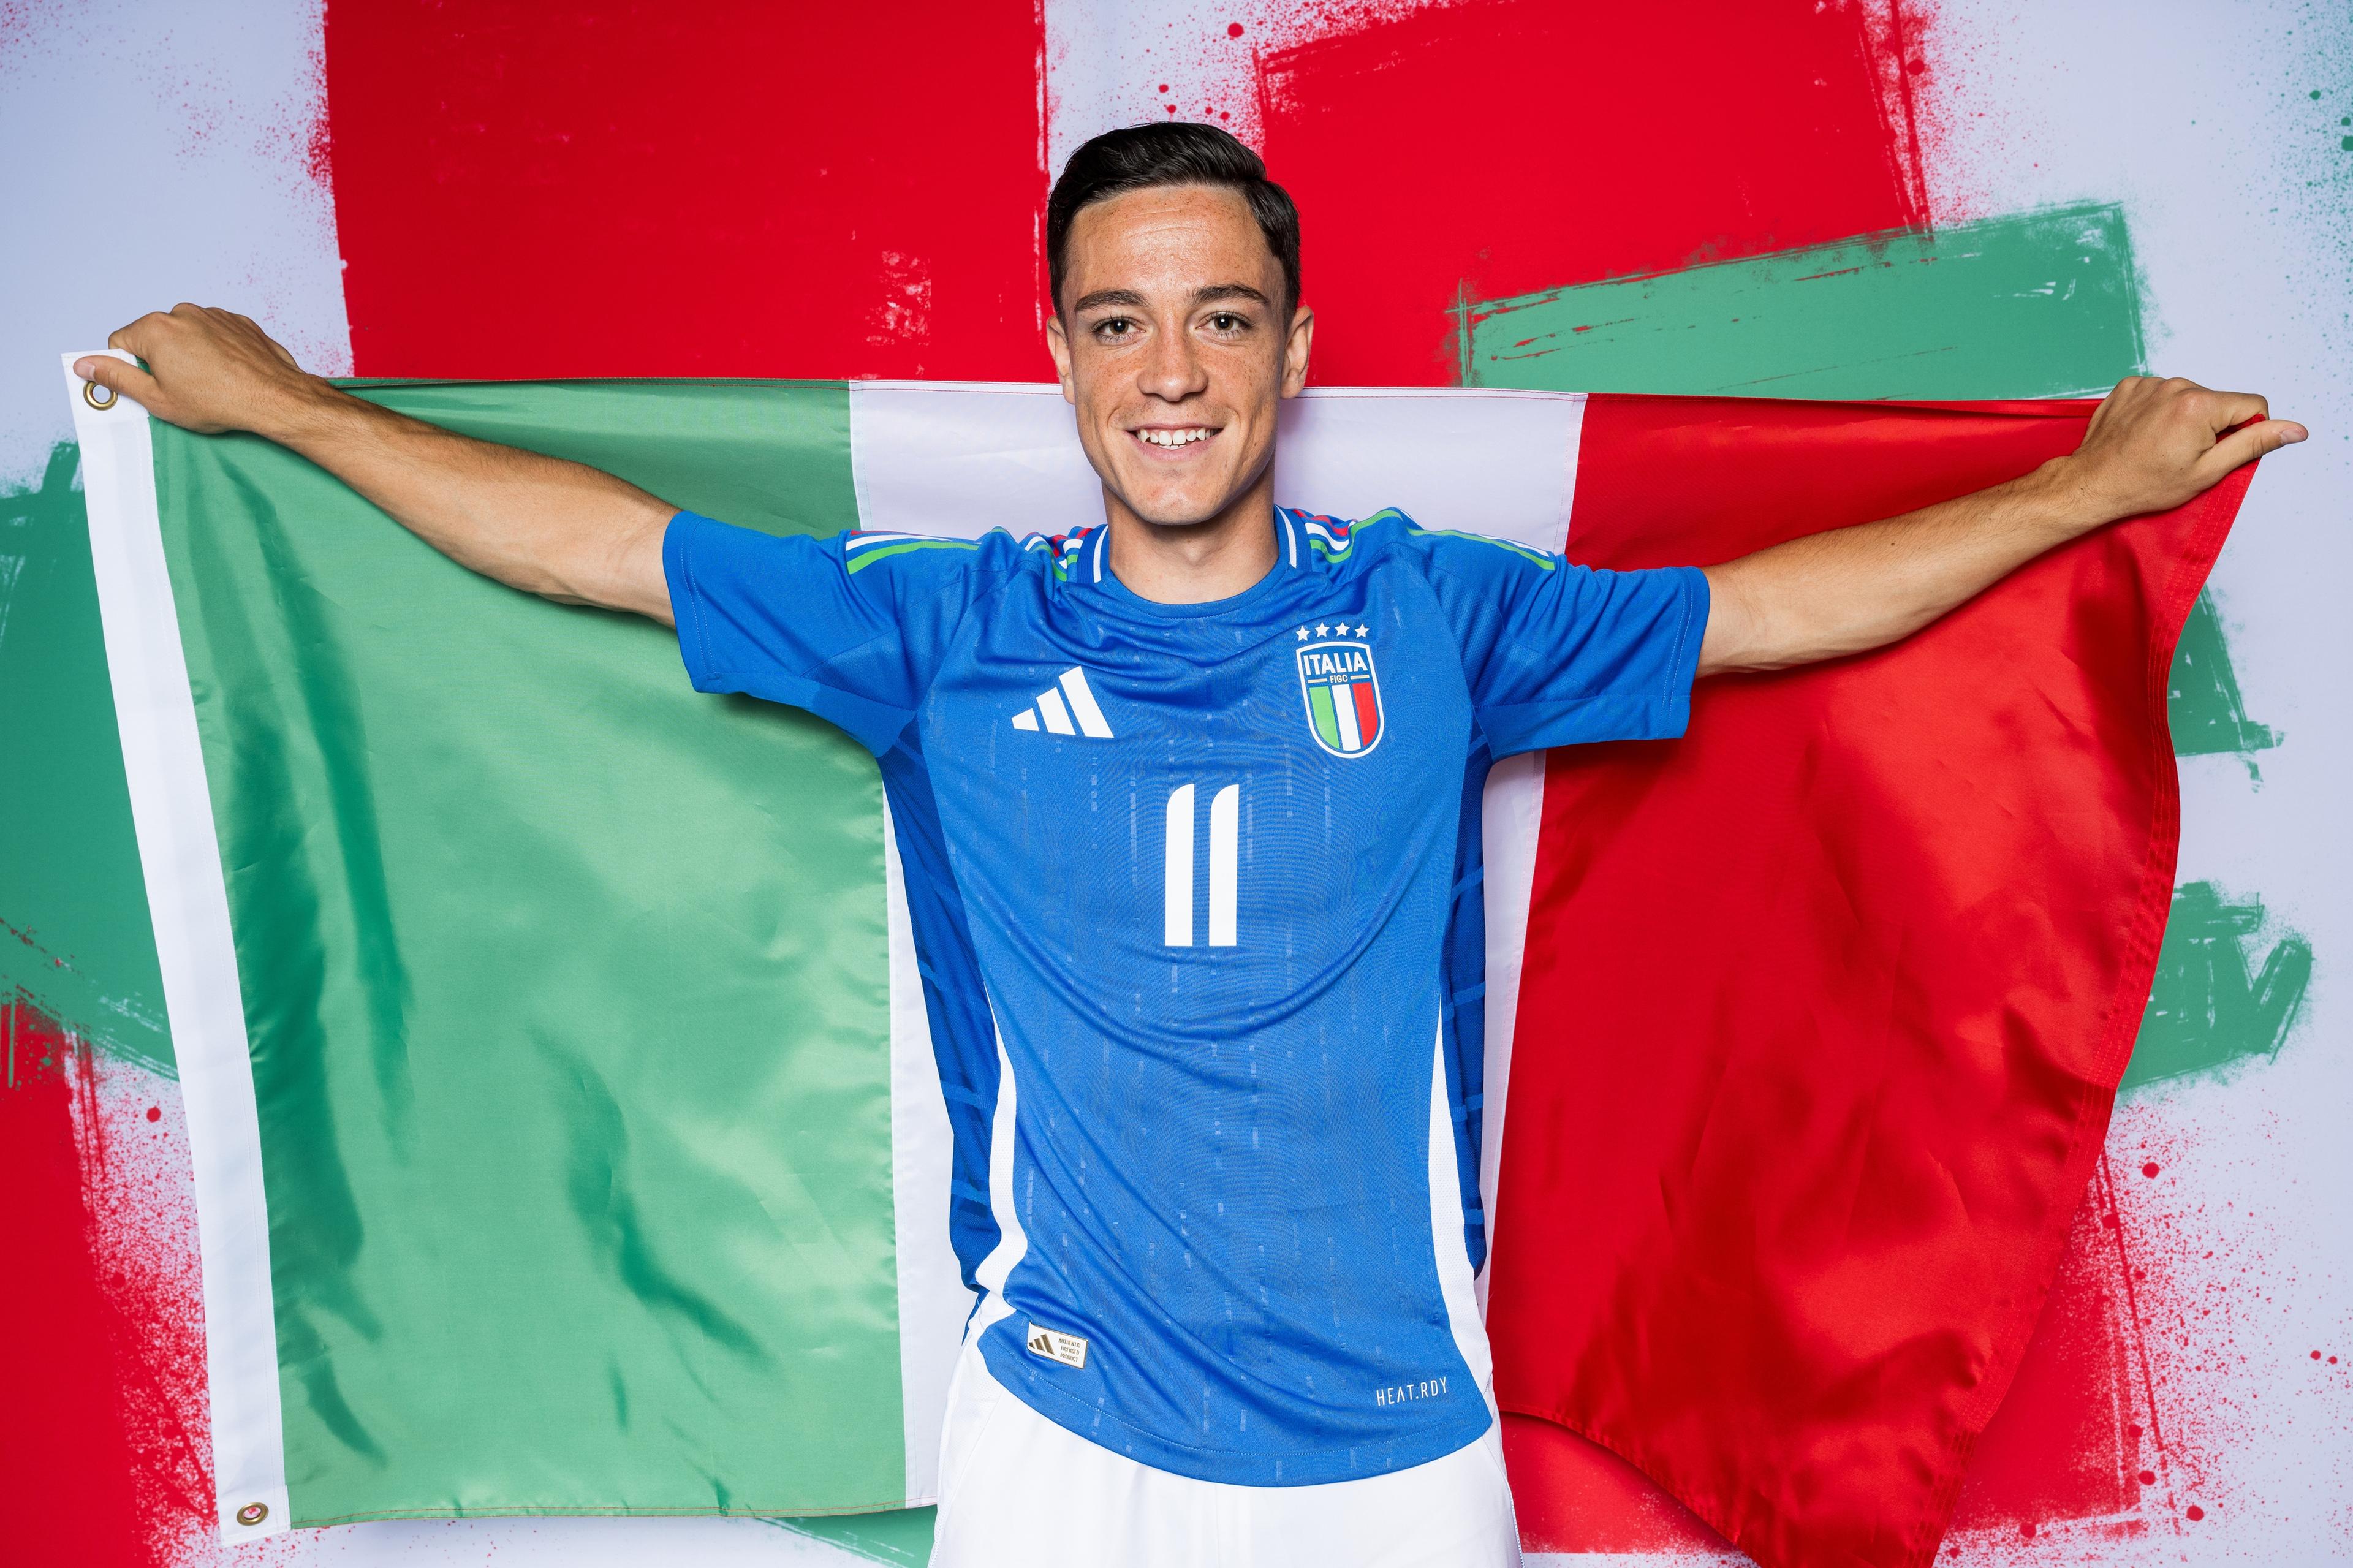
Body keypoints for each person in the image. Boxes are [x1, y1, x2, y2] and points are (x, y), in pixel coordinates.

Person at [75, 121, 2301, 1568]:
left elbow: (1773, 614)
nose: (1172, 370)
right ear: (1058, 355)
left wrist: (2081, 494)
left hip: (1396, 1460)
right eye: (1121, 321)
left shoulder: (1431, 612)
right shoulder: (949, 626)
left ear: (1292, 348)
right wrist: (290, 406)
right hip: (1060, 1447)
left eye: (1221, 317)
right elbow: (595, 548)